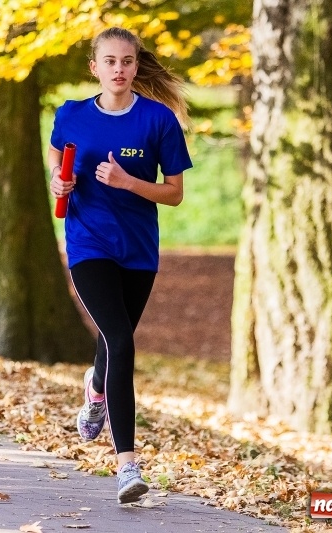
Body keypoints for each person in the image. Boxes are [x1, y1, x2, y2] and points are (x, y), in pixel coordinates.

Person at [48, 27, 193, 504]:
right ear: (95, 67)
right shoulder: (71, 115)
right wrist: (60, 183)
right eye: (109, 61)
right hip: (88, 245)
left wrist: (130, 182)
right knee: (122, 339)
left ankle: (95, 388)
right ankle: (127, 465)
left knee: (116, 339)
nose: (118, 69)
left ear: (135, 66)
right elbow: (57, 162)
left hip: (138, 251)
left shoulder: (158, 121)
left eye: (127, 61)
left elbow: (173, 193)